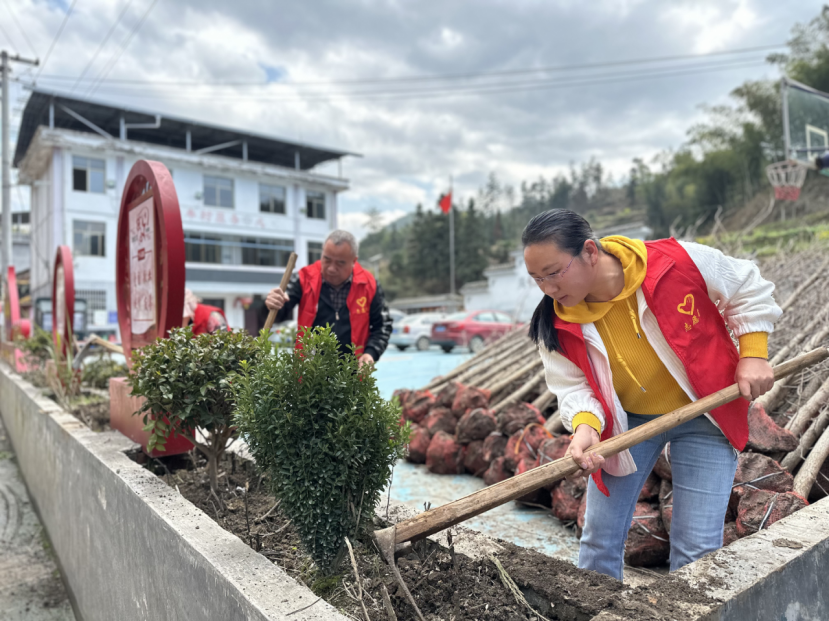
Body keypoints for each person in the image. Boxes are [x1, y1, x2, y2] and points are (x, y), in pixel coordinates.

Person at [522, 209, 781, 581]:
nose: (547, 287)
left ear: (590, 252)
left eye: (554, 272)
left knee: (697, 551)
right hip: (628, 423)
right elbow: (573, 386)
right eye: (536, 278)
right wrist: (585, 427)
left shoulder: (675, 262)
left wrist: (753, 353)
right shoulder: (555, 322)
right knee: (598, 540)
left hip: (705, 413)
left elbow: (748, 287)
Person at [263, 230, 392, 366]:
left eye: (340, 263)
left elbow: (382, 326)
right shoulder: (303, 278)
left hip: (353, 374)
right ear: (322, 253)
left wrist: (371, 353)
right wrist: (273, 303)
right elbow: (278, 313)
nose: (331, 268)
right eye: (327, 259)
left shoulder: (369, 285)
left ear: (354, 261)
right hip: (309, 372)